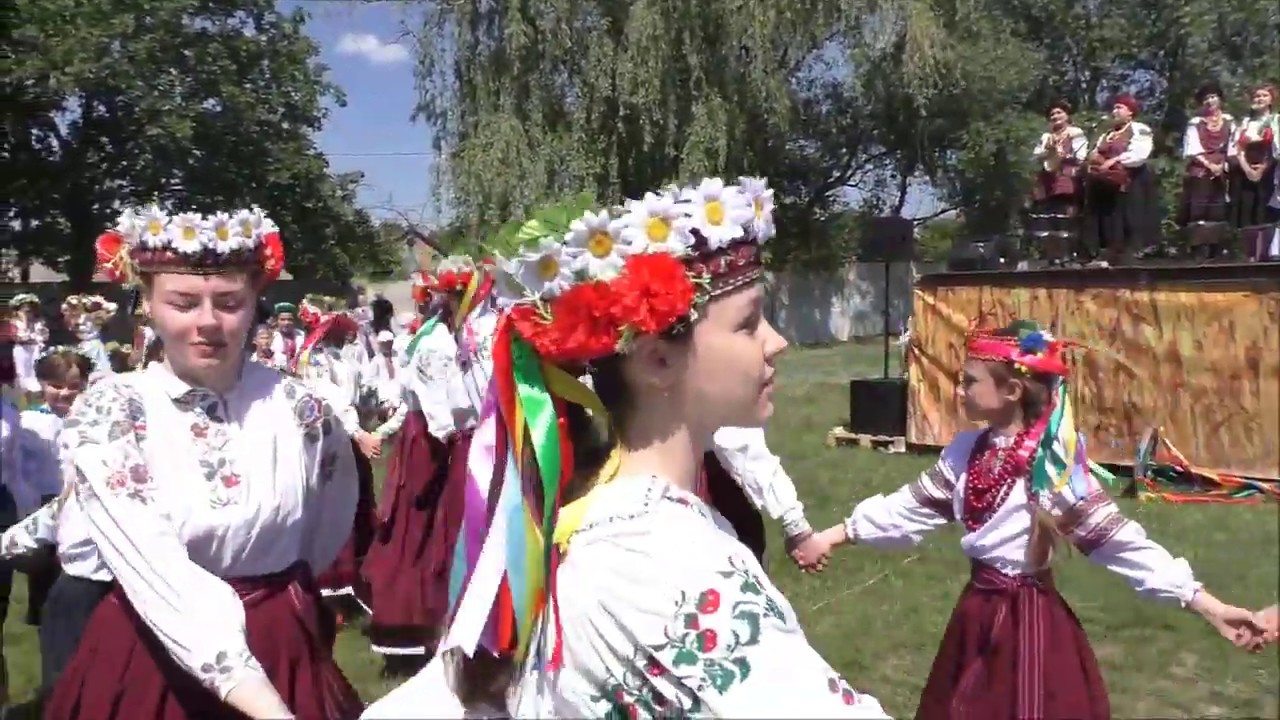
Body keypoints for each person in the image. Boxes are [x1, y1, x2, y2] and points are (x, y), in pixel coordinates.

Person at [386, 179, 889, 717]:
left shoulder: (593, 521)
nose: (777, 342)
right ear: (658, 361)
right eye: (748, 324)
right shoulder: (659, 560)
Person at [808, 320, 1264, 719]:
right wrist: (833, 536)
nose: (960, 391)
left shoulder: (1049, 465)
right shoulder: (967, 452)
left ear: (1011, 391)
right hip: (977, 612)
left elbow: (1116, 541)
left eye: (970, 382)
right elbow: (910, 507)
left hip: (1026, 621)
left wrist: (1208, 606)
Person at [43, 204, 362, 720]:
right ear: (149, 305)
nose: (208, 322)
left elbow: (327, 523)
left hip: (280, 643)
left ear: (254, 303)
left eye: (230, 302)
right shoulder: (113, 409)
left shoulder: (301, 407)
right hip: (152, 653)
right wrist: (262, 702)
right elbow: (151, 560)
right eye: (184, 302)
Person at [1081, 94, 1160, 267]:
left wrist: (1115, 160)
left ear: (1130, 112)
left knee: (1130, 218)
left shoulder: (1139, 129)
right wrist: (1095, 159)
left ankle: (1131, 255)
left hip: (1132, 179)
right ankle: (1106, 252)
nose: (1114, 111)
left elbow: (1140, 154)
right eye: (1114, 108)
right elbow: (1096, 152)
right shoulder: (1107, 134)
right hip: (1106, 183)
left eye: (1119, 108)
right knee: (1106, 218)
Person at [1026, 99, 1089, 265]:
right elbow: (1035, 156)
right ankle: (1051, 258)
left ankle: (1070, 256)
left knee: (1067, 217)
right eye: (1052, 114)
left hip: (1067, 177)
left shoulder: (1075, 133)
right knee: (1047, 219)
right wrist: (1048, 152)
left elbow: (1081, 156)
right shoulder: (1046, 137)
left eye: (1059, 112)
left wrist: (1064, 155)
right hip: (1047, 180)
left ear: (1067, 115)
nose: (1055, 116)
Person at [1177, 82, 1234, 257]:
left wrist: (1222, 165)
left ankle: (1217, 249)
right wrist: (1210, 165)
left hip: (1223, 169)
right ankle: (1199, 249)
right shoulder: (1195, 123)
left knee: (1219, 210)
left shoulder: (1229, 121)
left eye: (1213, 97)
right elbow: (1192, 148)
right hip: (1201, 169)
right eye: (1206, 98)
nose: (1210, 101)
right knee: (1199, 209)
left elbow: (1233, 146)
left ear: (1219, 99)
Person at [1228, 83, 1278, 260]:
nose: (1260, 99)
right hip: (1245, 170)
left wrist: (1263, 167)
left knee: (1264, 211)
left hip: (1269, 170)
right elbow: (1237, 148)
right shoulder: (1245, 122)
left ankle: (1264, 255)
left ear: (1271, 99)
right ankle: (1249, 256)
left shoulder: (1276, 120)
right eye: (1257, 96)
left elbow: (1277, 148)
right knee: (1247, 210)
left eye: (1264, 95)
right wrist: (1247, 168)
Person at [10, 293, 48, 395]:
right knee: (22, 371)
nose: (28, 312)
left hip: (36, 348)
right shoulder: (15, 323)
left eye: (30, 310)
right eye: (24, 310)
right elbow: (20, 338)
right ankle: (23, 392)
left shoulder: (39, 322)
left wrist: (36, 338)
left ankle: (37, 392)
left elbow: (44, 336)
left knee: (35, 369)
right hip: (22, 349)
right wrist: (25, 321)